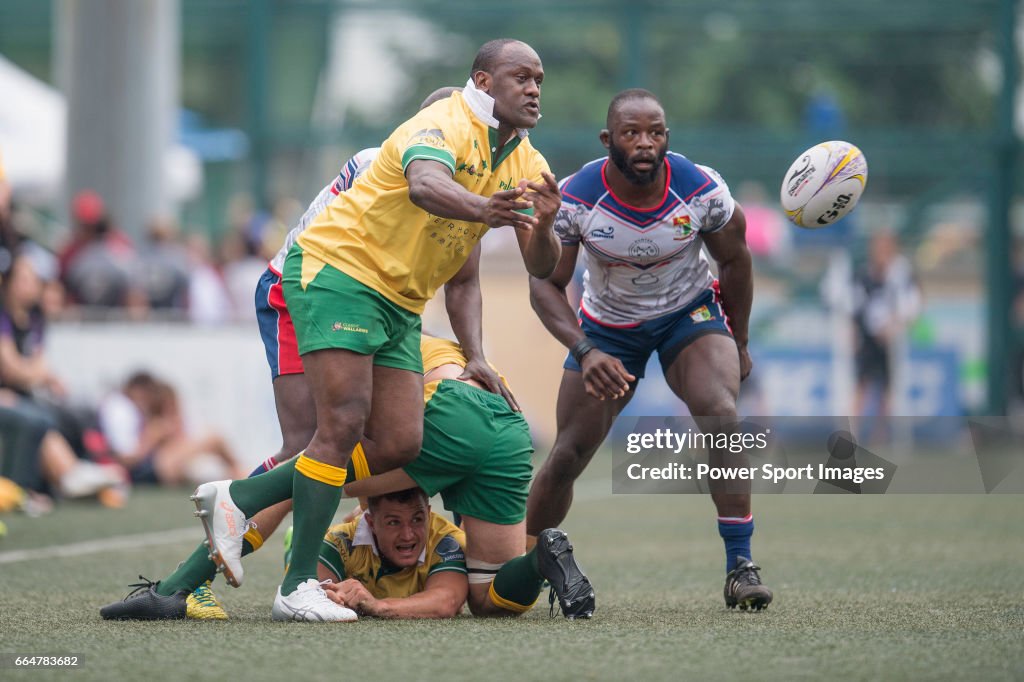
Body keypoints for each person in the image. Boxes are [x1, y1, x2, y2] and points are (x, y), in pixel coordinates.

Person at [183, 38, 561, 622]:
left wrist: (544, 228)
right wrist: (484, 208)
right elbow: (423, 187)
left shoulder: (513, 159)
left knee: (396, 442)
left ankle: (239, 500)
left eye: (540, 78)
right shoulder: (429, 137)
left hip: (394, 303)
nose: (535, 88)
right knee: (322, 435)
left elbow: (491, 274)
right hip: (317, 280)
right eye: (522, 77)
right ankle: (243, 580)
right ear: (479, 89)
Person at [98, 335, 593, 621]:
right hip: (507, 425)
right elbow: (453, 598)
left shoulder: (357, 343)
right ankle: (542, 555)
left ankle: (177, 587)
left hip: (448, 414)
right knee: (490, 597)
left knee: (307, 474)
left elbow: (306, 458)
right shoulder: (427, 338)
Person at [525, 89, 773, 610]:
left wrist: (741, 340)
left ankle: (740, 566)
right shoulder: (576, 196)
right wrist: (586, 349)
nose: (645, 143)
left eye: (655, 132)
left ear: (667, 137)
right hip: (608, 329)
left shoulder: (702, 189)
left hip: (688, 313)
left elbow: (736, 261)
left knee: (722, 415)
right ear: (607, 139)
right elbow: (545, 284)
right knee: (568, 454)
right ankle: (524, 569)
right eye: (631, 133)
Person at [851, 229, 921, 418]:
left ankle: (883, 434)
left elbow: (912, 305)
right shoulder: (864, 273)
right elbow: (856, 307)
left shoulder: (901, 274)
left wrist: (895, 326)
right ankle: (853, 432)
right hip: (868, 336)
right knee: (861, 383)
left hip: (891, 338)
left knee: (888, 386)